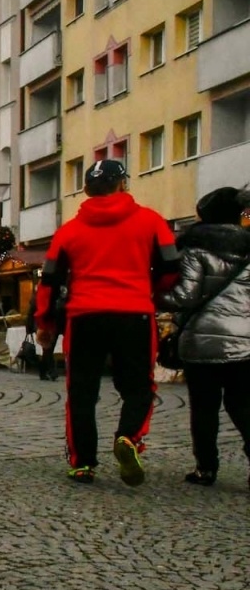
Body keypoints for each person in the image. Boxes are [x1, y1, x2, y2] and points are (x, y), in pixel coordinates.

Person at [35, 159, 180, 486]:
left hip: (84, 316)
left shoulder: (68, 231)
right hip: (134, 313)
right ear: (123, 184)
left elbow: (49, 280)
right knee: (139, 387)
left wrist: (45, 323)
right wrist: (151, 289)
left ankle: (82, 462)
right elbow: (172, 266)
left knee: (81, 391)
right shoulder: (151, 221)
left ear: (86, 189)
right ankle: (129, 436)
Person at [159, 187, 250, 488]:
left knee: (204, 408)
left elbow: (185, 296)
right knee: (243, 406)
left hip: (201, 342)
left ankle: (206, 468)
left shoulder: (195, 248)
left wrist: (156, 299)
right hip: (245, 343)